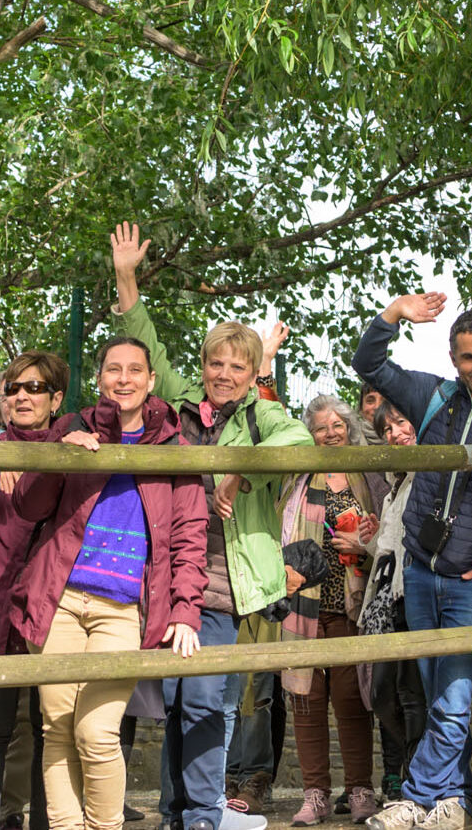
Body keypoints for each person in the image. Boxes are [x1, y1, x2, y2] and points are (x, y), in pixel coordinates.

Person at [107, 223, 302, 830]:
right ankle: (176, 813)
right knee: (174, 699)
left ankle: (203, 816)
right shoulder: (182, 404)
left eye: (237, 366)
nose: (224, 374)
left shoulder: (265, 414)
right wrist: (126, 274)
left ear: (253, 374)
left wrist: (238, 472)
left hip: (222, 582)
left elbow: (297, 443)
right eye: (216, 362)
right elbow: (144, 345)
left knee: (202, 700)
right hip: (167, 574)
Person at [353, 292, 472, 830]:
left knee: (454, 699)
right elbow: (367, 364)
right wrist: (393, 314)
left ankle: (415, 797)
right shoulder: (432, 396)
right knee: (438, 695)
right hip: (420, 571)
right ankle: (454, 804)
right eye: (468, 357)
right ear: (454, 357)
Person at [8, 336, 207, 830]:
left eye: (134, 370)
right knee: (56, 729)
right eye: (113, 370)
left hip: (124, 608)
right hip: (61, 600)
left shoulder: (174, 447)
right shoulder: (71, 428)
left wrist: (186, 609)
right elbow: (29, 508)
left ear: (151, 380)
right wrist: (60, 453)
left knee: (96, 733)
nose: (123, 379)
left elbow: (188, 535)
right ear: (99, 379)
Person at [282, 398, 382, 828]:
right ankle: (315, 795)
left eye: (338, 424)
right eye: (321, 427)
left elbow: (387, 529)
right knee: (305, 702)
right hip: (303, 607)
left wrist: (363, 547)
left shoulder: (365, 475)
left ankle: (360, 789)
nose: (331, 433)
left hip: (349, 605)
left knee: (351, 701)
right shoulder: (297, 475)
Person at [0, 353, 70, 830]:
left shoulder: (74, 445)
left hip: (50, 605)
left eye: (34, 389)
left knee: (48, 729)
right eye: (13, 389)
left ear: (55, 399)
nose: (22, 397)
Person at [350, 396, 425, 818]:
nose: (395, 434)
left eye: (400, 423)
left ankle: (413, 781)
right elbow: (388, 548)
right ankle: (404, 772)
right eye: (387, 430)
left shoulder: (428, 475)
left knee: (412, 694)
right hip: (386, 596)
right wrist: (372, 536)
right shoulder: (395, 485)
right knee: (382, 694)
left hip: (414, 594)